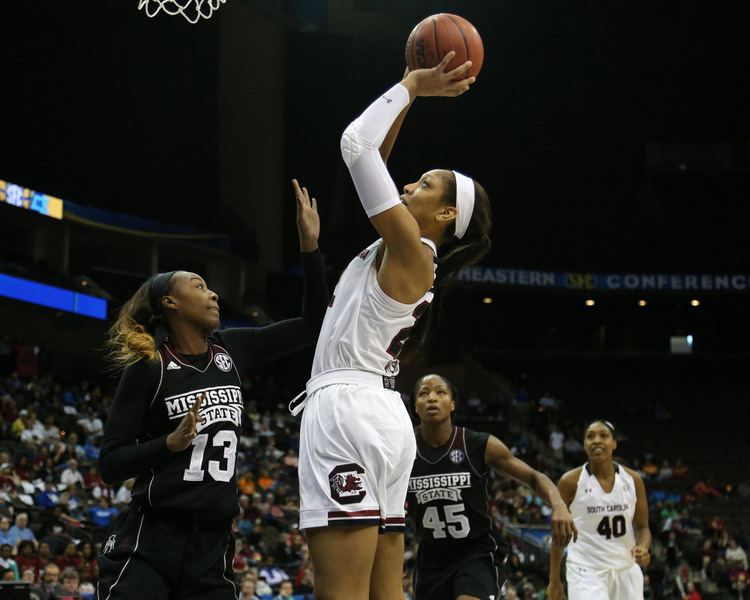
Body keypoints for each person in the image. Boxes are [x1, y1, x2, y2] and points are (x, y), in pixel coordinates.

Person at [294, 52, 492, 599]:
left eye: (426, 184)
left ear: (447, 214)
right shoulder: (410, 250)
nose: (410, 183)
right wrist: (413, 99)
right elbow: (374, 161)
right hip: (382, 415)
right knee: (385, 593)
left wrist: (408, 84)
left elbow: (356, 146)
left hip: (348, 408)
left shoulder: (411, 249)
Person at [96, 181, 328, 600]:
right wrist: (168, 443)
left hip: (214, 546)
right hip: (151, 540)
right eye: (199, 285)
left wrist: (310, 247)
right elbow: (111, 463)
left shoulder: (235, 349)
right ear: (170, 302)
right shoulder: (149, 368)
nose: (213, 292)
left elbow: (314, 324)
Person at [409, 374, 577, 600]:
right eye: (423, 393)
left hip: (476, 552)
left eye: (440, 392)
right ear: (415, 408)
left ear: (452, 404)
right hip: (431, 559)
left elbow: (535, 477)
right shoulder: (404, 450)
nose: (431, 398)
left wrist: (558, 505)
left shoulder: (477, 444)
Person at [547, 420, 652, 600]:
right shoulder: (569, 482)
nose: (597, 440)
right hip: (586, 571)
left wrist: (643, 547)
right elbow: (558, 536)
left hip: (626, 568)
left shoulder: (633, 480)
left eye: (604, 436)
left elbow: (643, 527)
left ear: (614, 443)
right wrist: (554, 579)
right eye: (590, 436)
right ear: (584, 445)